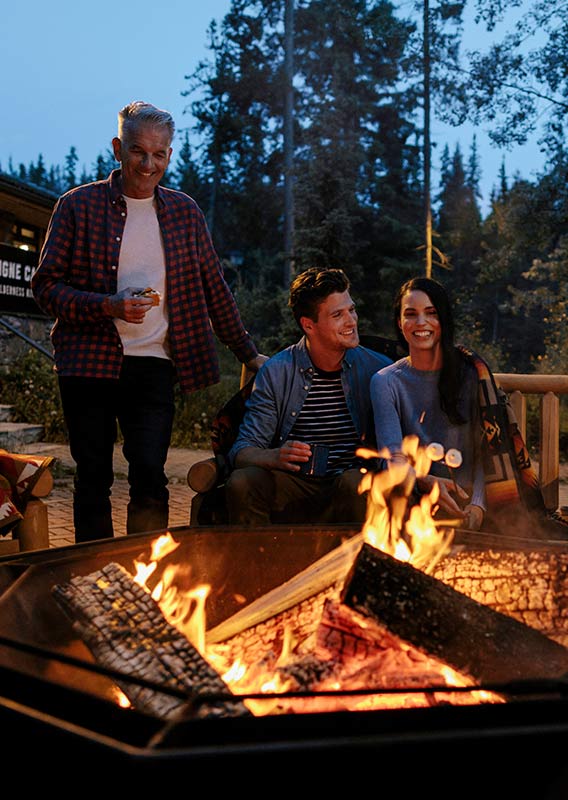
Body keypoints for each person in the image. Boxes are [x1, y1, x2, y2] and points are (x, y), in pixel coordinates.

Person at [31, 100, 265, 544]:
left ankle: (147, 572)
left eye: (159, 154)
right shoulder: (76, 206)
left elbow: (215, 288)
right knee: (93, 477)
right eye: (139, 151)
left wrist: (248, 354)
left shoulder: (185, 213)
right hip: (87, 364)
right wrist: (107, 306)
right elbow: (45, 288)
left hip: (155, 365)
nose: (148, 164)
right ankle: (94, 575)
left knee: (150, 477)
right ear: (119, 147)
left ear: (170, 155)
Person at [225, 267, 392, 526]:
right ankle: (259, 562)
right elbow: (241, 451)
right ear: (308, 325)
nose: (351, 321)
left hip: (350, 484)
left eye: (352, 309)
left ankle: (362, 563)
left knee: (357, 482)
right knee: (242, 482)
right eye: (338, 314)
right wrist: (274, 456)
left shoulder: (377, 370)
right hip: (295, 484)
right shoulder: (278, 371)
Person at [370, 276, 486, 531]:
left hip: (468, 498)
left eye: (431, 313)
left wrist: (478, 505)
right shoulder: (385, 382)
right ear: (400, 324)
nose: (421, 322)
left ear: (443, 320)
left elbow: (485, 454)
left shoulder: (471, 375)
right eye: (410, 314)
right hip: (414, 495)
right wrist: (424, 481)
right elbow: (392, 458)